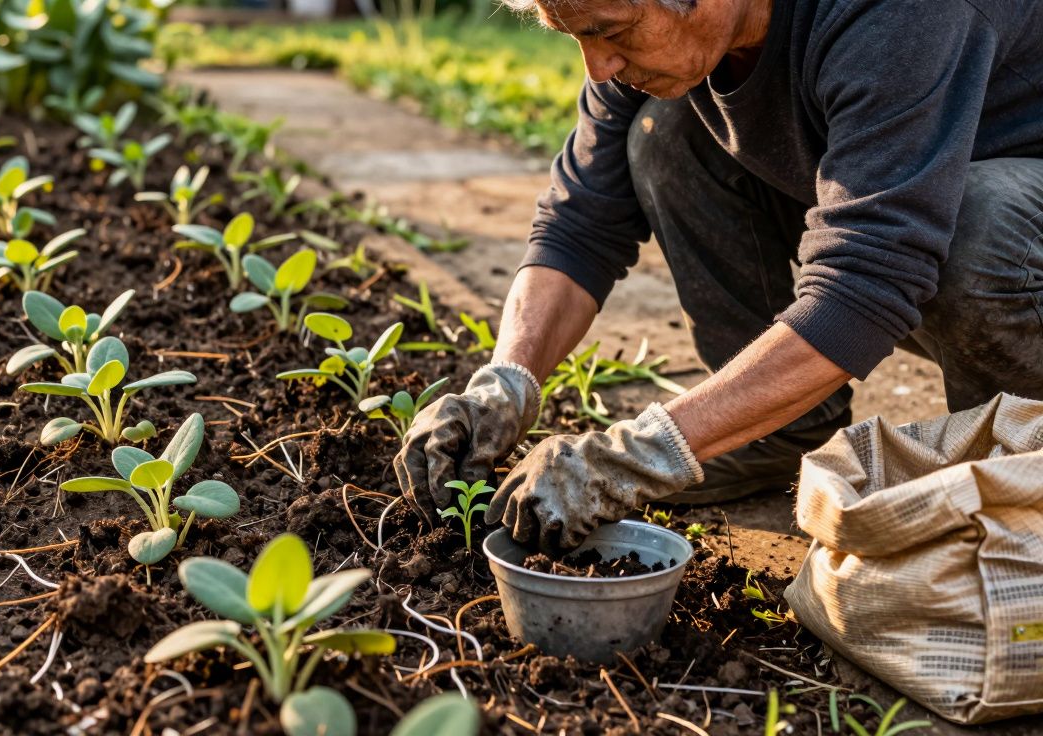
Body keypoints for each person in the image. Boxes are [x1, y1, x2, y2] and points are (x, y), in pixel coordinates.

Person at [393, 0, 1043, 552]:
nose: (598, 66)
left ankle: (1015, 469)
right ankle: (778, 425)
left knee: (980, 232)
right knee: (658, 128)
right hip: (924, 198)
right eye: (580, 35)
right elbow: (580, 224)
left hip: (1010, 206)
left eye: (610, 31)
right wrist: (506, 381)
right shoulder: (647, 31)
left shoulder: (896, 14)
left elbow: (863, 287)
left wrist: (638, 454)